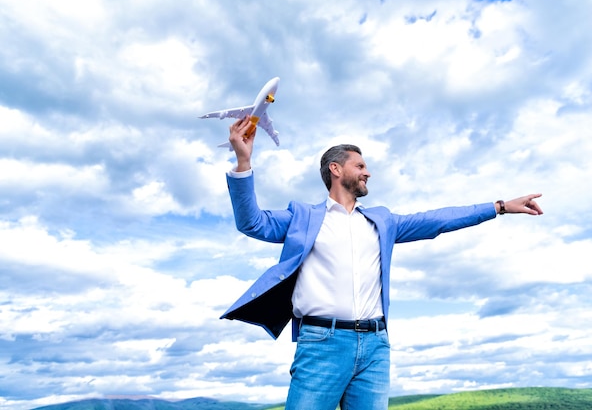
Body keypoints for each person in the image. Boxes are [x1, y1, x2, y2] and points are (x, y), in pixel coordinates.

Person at [220, 115, 543, 410]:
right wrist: (243, 162)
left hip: (376, 345)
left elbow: (437, 220)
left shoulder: (382, 222)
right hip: (322, 344)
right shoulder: (303, 217)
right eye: (359, 166)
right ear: (336, 169)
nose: (367, 172)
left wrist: (498, 206)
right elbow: (252, 223)